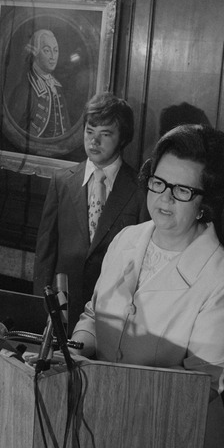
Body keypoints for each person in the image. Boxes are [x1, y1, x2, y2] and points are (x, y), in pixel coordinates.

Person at [71, 123, 224, 448]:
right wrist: (75, 348)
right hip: (103, 419)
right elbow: (95, 312)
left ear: (207, 202)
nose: (164, 197)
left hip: (169, 440)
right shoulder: (128, 240)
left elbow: (202, 383)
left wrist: (118, 393)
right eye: (159, 182)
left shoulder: (222, 280)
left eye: (182, 190)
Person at [34, 92, 149, 324]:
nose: (94, 142)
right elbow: (45, 252)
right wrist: (41, 306)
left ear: (123, 138)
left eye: (105, 134)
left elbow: (144, 260)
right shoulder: (62, 182)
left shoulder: (139, 189)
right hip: (63, 308)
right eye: (89, 132)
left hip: (113, 312)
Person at [12, 28, 71, 138]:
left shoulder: (57, 87)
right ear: (35, 53)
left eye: (56, 50)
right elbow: (14, 133)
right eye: (47, 51)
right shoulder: (25, 89)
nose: (53, 57)